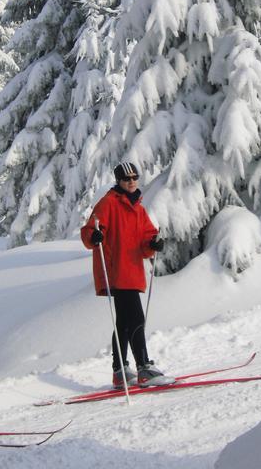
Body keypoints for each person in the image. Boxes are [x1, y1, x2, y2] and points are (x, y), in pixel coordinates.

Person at [81, 161, 173, 389]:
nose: (131, 182)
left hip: (132, 271)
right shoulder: (109, 203)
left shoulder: (139, 209)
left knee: (124, 322)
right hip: (115, 271)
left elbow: (146, 238)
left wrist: (153, 243)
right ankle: (144, 368)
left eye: (134, 178)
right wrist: (95, 236)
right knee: (136, 319)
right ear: (118, 181)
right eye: (126, 179)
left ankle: (120, 371)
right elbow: (90, 229)